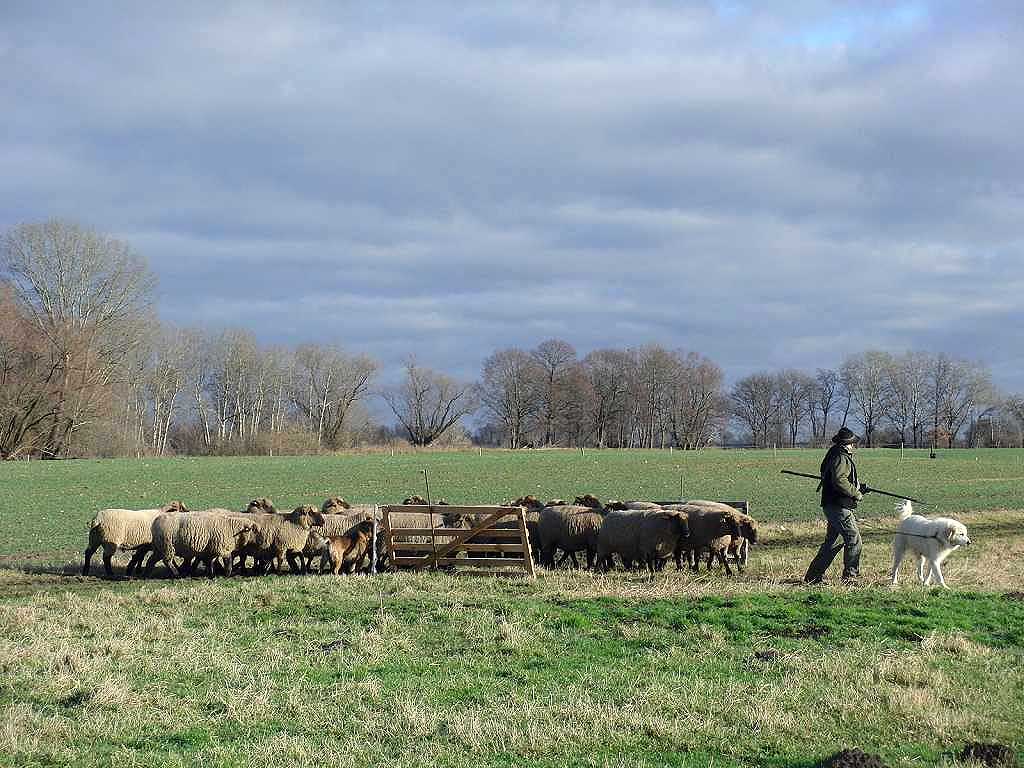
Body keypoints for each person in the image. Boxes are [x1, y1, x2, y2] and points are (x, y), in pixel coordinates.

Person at [804, 426, 870, 584]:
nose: (854, 446)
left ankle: (813, 577)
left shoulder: (834, 453)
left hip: (832, 504)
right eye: (853, 443)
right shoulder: (841, 457)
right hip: (838, 506)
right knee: (854, 539)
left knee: (834, 542)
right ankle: (850, 578)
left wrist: (858, 486)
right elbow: (839, 480)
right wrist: (856, 493)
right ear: (846, 444)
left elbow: (836, 478)